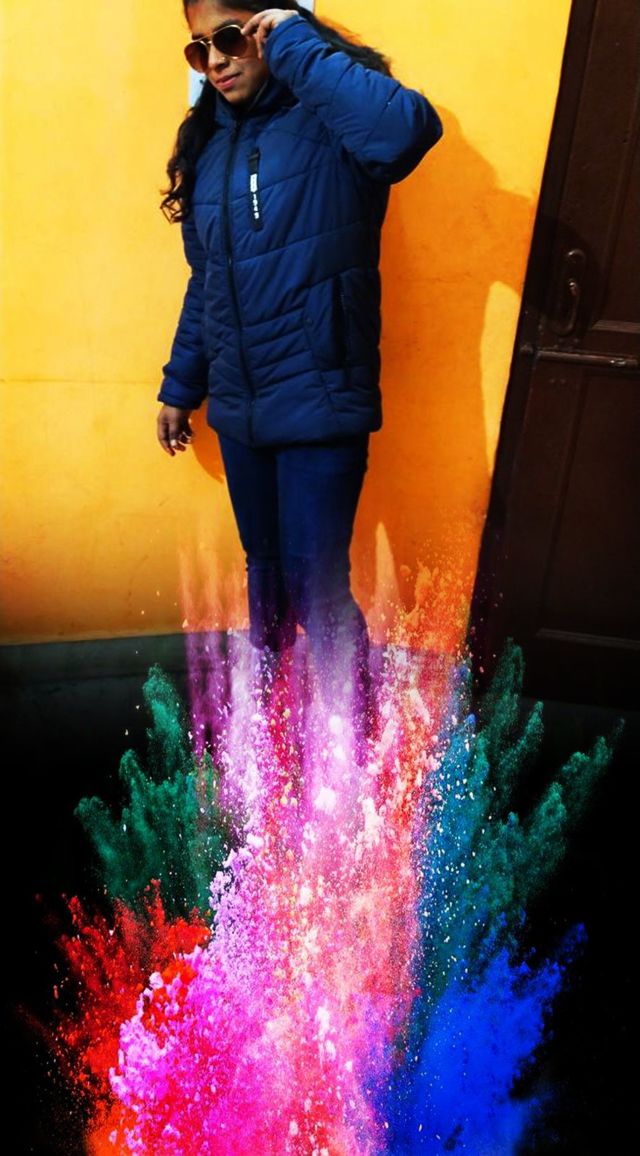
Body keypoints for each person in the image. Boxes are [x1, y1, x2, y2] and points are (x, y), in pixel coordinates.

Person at [156, 2, 442, 732]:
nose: (216, 61)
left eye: (229, 37)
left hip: (319, 392)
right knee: (267, 573)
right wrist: (182, 385)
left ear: (266, 28)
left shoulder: (330, 114)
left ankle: (353, 736)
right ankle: (275, 720)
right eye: (199, 49)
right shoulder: (211, 142)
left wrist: (297, 42)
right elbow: (207, 280)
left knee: (317, 585)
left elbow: (406, 134)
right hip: (242, 406)